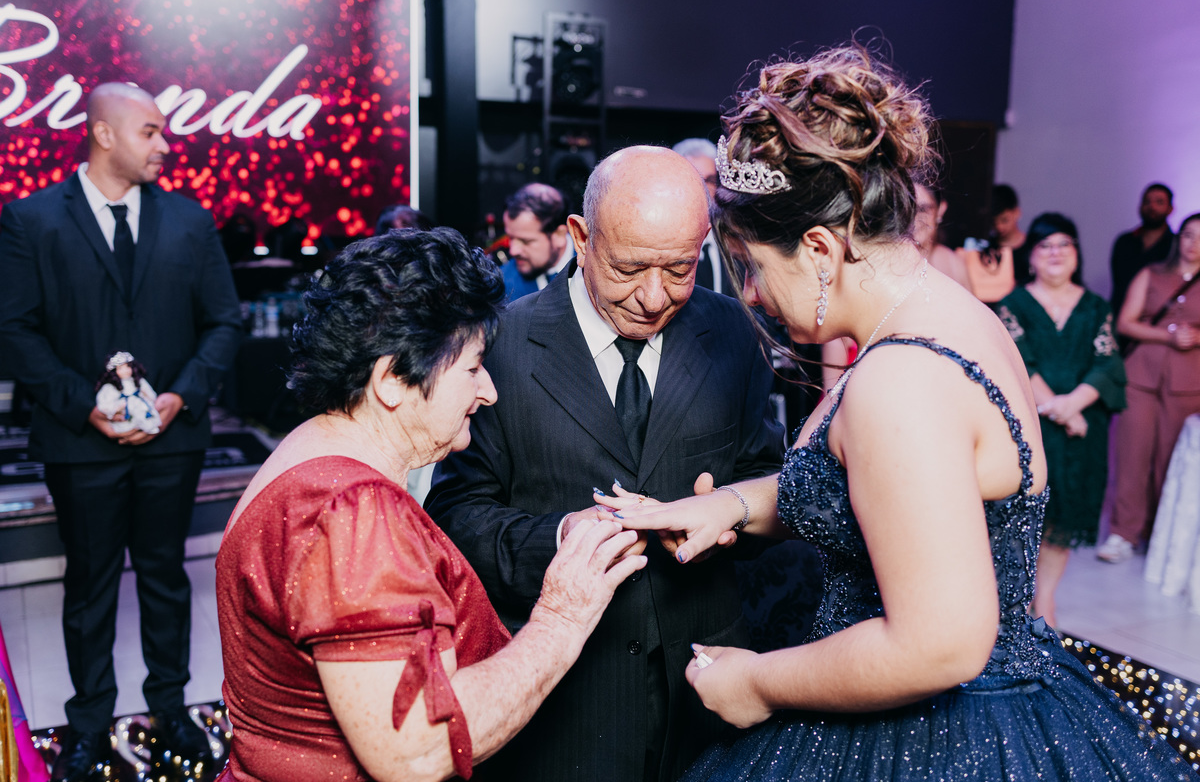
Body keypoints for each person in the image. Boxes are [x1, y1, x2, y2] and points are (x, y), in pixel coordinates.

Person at [607, 46, 1197, 780]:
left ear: (820, 249)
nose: (752, 294)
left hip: (931, 740)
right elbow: (881, 494)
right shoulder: (954, 317)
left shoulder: (900, 380)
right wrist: (730, 504)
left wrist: (755, 682)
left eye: (755, 266)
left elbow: (940, 644)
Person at [214, 228, 645, 782]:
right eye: (472, 368)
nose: (488, 391)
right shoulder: (353, 511)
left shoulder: (307, 451)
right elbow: (419, 752)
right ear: (392, 379)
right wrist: (562, 618)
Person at [425, 145, 785, 782]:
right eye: (629, 268)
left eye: (679, 269)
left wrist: (728, 518)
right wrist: (562, 539)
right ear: (581, 237)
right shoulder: (503, 344)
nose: (653, 296)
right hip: (564, 708)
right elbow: (453, 517)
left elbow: (769, 478)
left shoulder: (733, 332)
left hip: (704, 691)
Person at [0, 82, 243, 781]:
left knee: (166, 577)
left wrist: (179, 397)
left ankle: (169, 707)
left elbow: (224, 323)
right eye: (150, 131)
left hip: (172, 439)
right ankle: (87, 725)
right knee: (89, 587)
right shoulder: (31, 219)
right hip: (79, 443)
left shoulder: (190, 221)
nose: (165, 144)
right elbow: (14, 329)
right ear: (103, 134)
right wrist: (85, 405)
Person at [996, 213, 1126, 625]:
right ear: (1031, 256)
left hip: (1083, 430)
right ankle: (1016, 601)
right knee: (1026, 514)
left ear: (1077, 253)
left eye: (1064, 244)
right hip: (1029, 426)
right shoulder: (1013, 305)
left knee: (1065, 518)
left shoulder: (1095, 307)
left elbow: (1107, 363)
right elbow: (1018, 361)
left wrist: (1073, 407)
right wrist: (1061, 410)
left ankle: (1046, 599)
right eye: (1045, 245)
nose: (1055, 253)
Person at [1102, 211, 1200, 563]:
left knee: (1171, 460)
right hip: (1141, 376)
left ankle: (1161, 535)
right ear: (1178, 238)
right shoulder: (1151, 273)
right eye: (1188, 235)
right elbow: (1125, 322)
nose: (1194, 243)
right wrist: (1167, 335)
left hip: (1189, 383)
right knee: (1132, 455)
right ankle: (1123, 533)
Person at [672, 138, 734, 297]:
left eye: (710, 180)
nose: (704, 189)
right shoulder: (664, 247)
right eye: (696, 179)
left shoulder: (735, 243)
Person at [1110, 183, 1175, 323]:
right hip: (1119, 316)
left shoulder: (1176, 245)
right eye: (1147, 201)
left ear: (1170, 208)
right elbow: (1118, 282)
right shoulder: (1124, 241)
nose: (1152, 206)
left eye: (1159, 202)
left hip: (1157, 321)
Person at [499, 183, 573, 301]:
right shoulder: (502, 285)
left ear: (559, 235)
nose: (513, 251)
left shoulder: (594, 267)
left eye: (525, 241)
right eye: (511, 238)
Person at [959, 183, 1020, 304]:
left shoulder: (1032, 248)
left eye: (1004, 220)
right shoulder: (984, 247)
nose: (999, 226)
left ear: (1017, 212)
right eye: (993, 222)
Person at [913, 181, 971, 291]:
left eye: (922, 209)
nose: (914, 218)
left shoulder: (955, 265)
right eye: (906, 210)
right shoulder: (889, 263)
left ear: (940, 210)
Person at [94, 351, 163, 435]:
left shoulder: (138, 381)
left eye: (128, 366)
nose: (125, 371)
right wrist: (116, 408)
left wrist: (146, 395)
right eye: (120, 368)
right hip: (125, 411)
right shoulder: (111, 388)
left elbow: (150, 394)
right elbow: (104, 404)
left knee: (143, 413)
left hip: (140, 406)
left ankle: (148, 426)